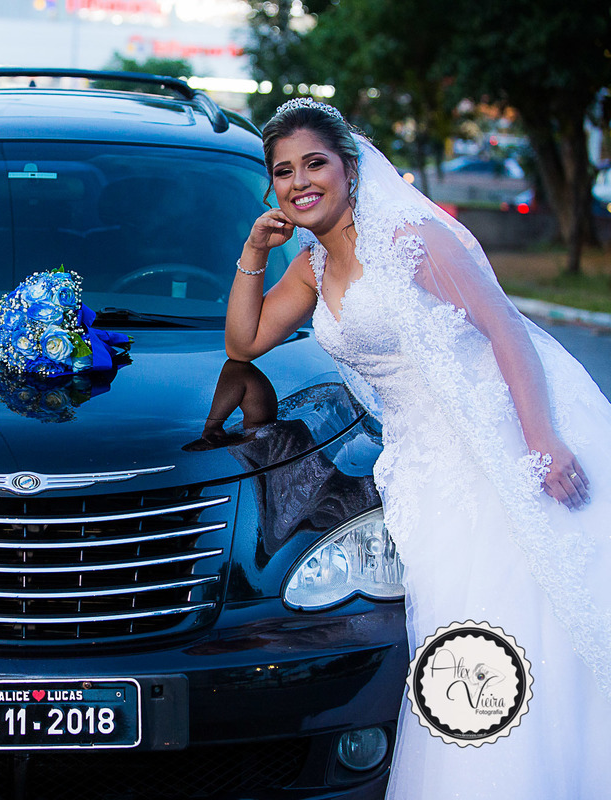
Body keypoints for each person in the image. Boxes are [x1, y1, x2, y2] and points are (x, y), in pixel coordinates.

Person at [225, 98, 611, 797]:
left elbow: (505, 328)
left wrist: (541, 441)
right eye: (283, 171)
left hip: (493, 443)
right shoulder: (311, 264)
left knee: (507, 614)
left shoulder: (410, 238)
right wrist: (255, 250)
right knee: (453, 625)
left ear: (349, 168)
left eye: (315, 163)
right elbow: (245, 341)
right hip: (420, 470)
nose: (300, 181)